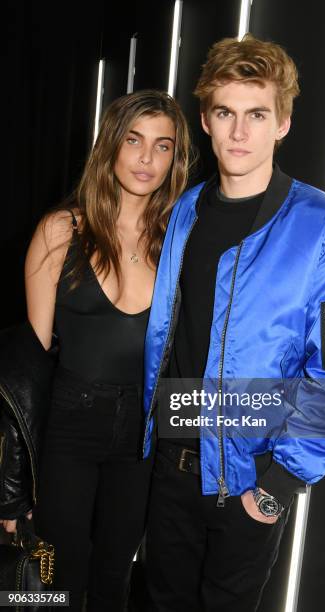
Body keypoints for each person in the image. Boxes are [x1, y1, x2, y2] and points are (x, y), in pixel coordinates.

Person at [142, 35, 325, 611]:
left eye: (256, 114)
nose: (239, 133)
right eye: (226, 113)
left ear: (283, 123)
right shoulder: (185, 213)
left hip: (249, 479)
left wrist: (274, 489)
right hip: (168, 470)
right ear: (206, 120)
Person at [0, 89, 193, 611]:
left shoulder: (179, 240)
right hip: (67, 425)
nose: (146, 159)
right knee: (57, 575)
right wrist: (10, 488)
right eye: (134, 141)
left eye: (163, 146)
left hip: (140, 434)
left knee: (114, 577)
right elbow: (25, 369)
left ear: (176, 158)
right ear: (110, 146)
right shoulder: (62, 230)